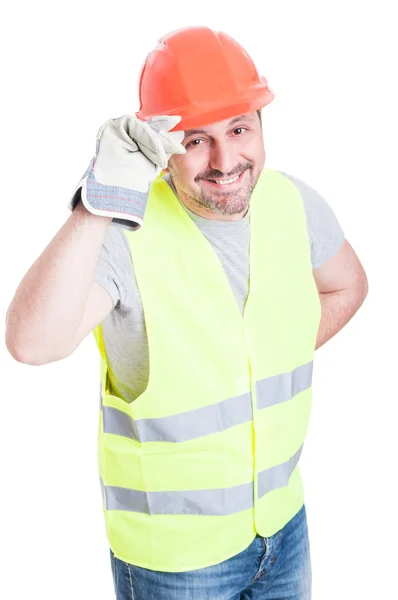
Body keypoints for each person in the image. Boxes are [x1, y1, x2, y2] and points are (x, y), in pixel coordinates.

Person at [5, 25, 368, 600]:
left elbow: (347, 287)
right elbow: (32, 344)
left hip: (283, 525)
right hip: (174, 563)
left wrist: (263, 359)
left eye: (240, 129)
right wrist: (99, 201)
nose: (227, 160)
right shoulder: (126, 233)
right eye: (196, 139)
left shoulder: (293, 204)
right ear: (160, 143)